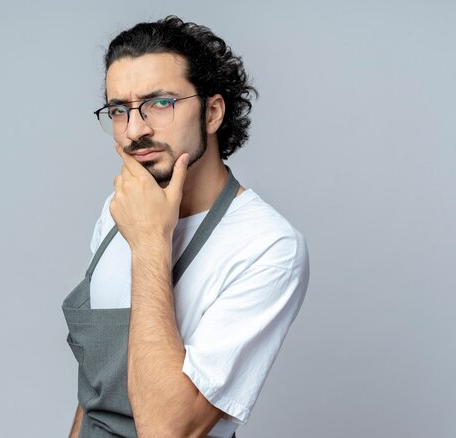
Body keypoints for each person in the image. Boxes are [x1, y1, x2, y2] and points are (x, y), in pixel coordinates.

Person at [62, 16, 309, 438]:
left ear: (212, 112)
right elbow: (95, 395)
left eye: (160, 103)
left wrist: (149, 243)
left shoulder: (267, 246)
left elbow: (167, 429)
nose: (135, 130)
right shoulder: (118, 209)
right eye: (120, 110)